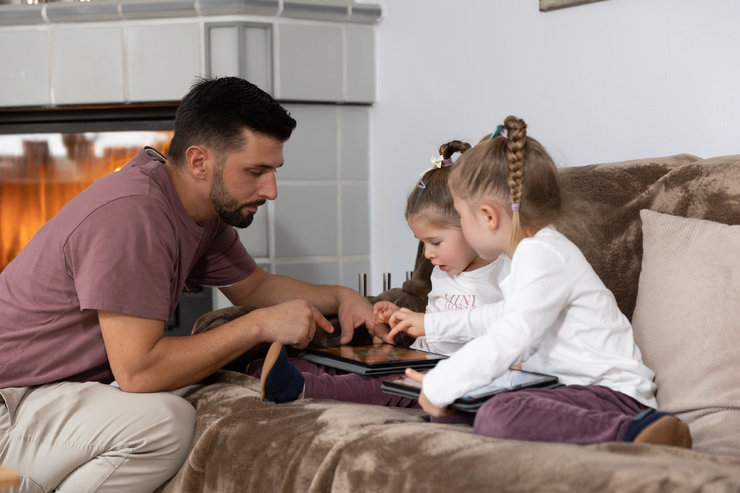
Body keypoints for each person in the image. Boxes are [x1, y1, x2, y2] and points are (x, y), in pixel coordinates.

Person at [0, 76, 379, 492]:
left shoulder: (196, 208)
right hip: (11, 400)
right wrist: (258, 325)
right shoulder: (134, 215)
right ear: (199, 162)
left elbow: (253, 288)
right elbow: (139, 373)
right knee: (164, 424)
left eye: (273, 170)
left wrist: (343, 297)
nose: (270, 190)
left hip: (43, 392)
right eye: (256, 171)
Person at [404, 115, 692, 448]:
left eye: (461, 215)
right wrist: (433, 327)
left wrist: (442, 382)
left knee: (497, 416)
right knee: (463, 407)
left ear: (488, 216)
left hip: (612, 398)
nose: (463, 227)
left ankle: (638, 432)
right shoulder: (528, 254)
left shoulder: (541, 255)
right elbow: (499, 316)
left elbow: (513, 335)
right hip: (567, 391)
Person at [252, 140, 510, 407]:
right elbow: (432, 327)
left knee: (381, 386)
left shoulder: (505, 272)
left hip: (459, 377)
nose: (427, 254)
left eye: (435, 242)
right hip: (422, 360)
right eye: (421, 242)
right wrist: (401, 319)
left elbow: (508, 333)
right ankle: (264, 368)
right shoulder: (443, 270)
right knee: (352, 362)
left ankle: (301, 387)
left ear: (474, 222)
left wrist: (425, 326)